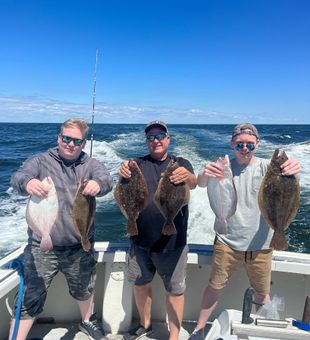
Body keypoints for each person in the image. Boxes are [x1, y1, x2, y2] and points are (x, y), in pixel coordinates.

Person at [189, 123, 301, 339]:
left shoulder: (268, 169)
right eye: (240, 144)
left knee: (262, 293)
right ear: (232, 144)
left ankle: (266, 332)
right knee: (215, 287)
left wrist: (295, 170)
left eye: (250, 144)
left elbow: (290, 184)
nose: (245, 149)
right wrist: (204, 174)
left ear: (257, 144)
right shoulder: (223, 168)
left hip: (262, 244)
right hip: (227, 242)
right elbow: (201, 183)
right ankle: (199, 329)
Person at [9, 118, 113, 340]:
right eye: (66, 138)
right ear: (59, 138)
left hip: (79, 244)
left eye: (77, 140)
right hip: (41, 245)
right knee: (31, 295)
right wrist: (27, 183)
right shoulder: (40, 161)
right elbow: (18, 177)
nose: (70, 144)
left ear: (84, 143)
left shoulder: (90, 164)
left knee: (84, 288)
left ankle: (87, 321)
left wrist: (99, 185)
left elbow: (106, 179)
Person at [118, 120, 197, 340]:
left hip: (173, 243)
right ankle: (145, 325)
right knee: (141, 285)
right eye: (151, 137)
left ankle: (174, 335)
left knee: (175, 291)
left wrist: (188, 176)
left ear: (168, 139)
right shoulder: (136, 164)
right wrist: (122, 172)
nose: (156, 140)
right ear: (146, 142)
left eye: (160, 135)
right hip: (139, 240)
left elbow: (193, 183)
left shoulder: (181, 163)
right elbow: (122, 188)